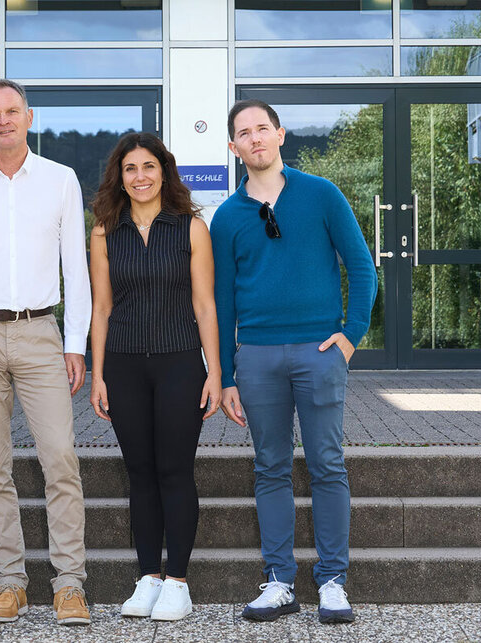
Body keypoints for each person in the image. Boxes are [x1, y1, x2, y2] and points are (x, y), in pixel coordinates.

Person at [210, 99, 377, 624]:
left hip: (319, 352)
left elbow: (362, 268)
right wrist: (228, 375)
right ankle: (280, 581)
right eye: (244, 132)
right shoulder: (227, 216)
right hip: (256, 357)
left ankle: (332, 582)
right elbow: (221, 301)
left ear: (280, 135)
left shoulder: (321, 195)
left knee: (327, 464)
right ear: (233, 147)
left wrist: (350, 337)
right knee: (270, 467)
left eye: (263, 128)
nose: (255, 138)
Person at [0, 79, 93, 626]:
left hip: (39, 334)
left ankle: (69, 584)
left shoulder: (61, 180)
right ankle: (10, 582)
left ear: (29, 117)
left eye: (12, 111)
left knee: (60, 458)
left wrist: (76, 344)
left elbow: (76, 267)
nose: (3, 121)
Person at [88, 132, 221, 622]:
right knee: (139, 473)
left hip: (180, 364)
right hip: (123, 364)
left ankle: (178, 582)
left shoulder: (190, 228)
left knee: (174, 470)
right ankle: (147, 577)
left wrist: (215, 372)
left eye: (148, 166)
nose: (139, 176)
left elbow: (205, 305)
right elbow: (101, 307)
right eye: (130, 169)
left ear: (164, 170)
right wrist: (97, 374)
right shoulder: (105, 231)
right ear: (118, 178)